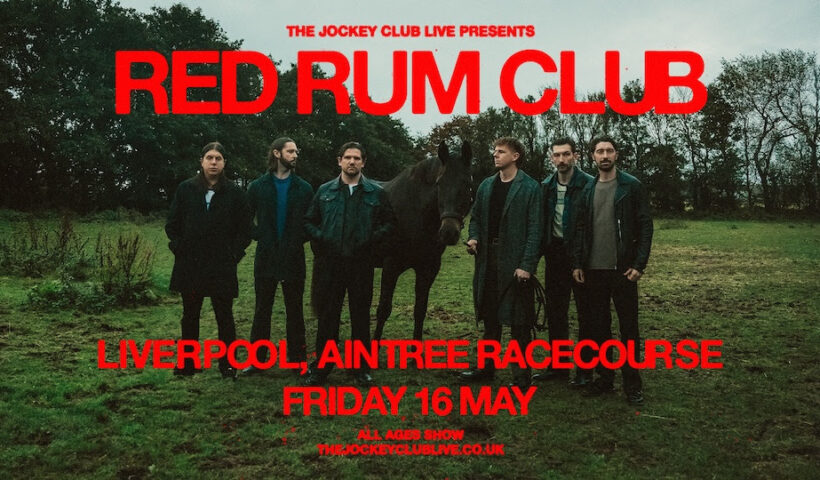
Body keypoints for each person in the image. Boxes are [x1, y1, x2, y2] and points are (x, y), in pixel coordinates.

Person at [303, 141, 395, 386]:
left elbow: (388, 224)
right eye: (347, 157)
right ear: (339, 161)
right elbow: (309, 221)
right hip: (330, 265)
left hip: (361, 265)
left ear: (363, 162)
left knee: (360, 317)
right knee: (328, 317)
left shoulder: (376, 193)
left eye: (357, 158)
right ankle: (321, 368)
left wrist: (370, 240)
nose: (352, 162)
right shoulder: (324, 191)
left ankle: (361, 368)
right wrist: (323, 238)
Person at [572, 135, 653, 405]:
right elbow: (581, 228)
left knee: (629, 329)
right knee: (600, 328)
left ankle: (632, 385)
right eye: (599, 151)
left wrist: (639, 265)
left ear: (616, 155)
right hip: (593, 271)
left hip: (623, 271)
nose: (604, 155)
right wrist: (578, 264)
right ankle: (605, 379)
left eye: (609, 151)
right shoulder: (587, 188)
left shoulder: (632, 186)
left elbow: (645, 227)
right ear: (592, 156)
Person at [461, 137, 542, 388]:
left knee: (519, 323)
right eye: (494, 151)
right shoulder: (486, 186)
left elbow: (535, 231)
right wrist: (473, 237)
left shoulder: (530, 188)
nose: (495, 155)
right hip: (487, 261)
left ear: (515, 156)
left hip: (515, 264)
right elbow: (475, 219)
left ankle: (521, 378)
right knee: (489, 318)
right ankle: (486, 369)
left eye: (501, 152)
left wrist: (527, 265)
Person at [166, 142, 251, 379]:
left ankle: (228, 365)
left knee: (224, 316)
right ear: (201, 161)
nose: (214, 162)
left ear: (224, 163)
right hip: (190, 265)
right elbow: (172, 225)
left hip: (221, 266)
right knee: (190, 315)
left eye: (219, 158)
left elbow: (246, 231)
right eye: (210, 158)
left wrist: (234, 255)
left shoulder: (235, 193)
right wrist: (179, 249)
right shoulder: (186, 189)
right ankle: (187, 364)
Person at [243, 137, 314, 375]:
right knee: (262, 309)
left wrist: (297, 240)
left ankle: (297, 361)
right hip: (266, 256)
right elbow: (244, 219)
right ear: (276, 154)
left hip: (293, 257)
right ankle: (257, 360)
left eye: (296, 151)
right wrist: (259, 235)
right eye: (290, 151)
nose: (295, 155)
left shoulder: (304, 188)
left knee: (295, 311)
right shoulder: (257, 187)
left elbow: (311, 221)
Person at [532, 138, 594, 386]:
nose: (561, 160)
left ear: (575, 156)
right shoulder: (545, 186)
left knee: (585, 313)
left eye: (566, 155)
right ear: (551, 158)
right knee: (556, 312)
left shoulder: (588, 185)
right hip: (554, 254)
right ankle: (558, 367)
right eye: (556, 155)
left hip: (581, 255)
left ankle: (585, 370)